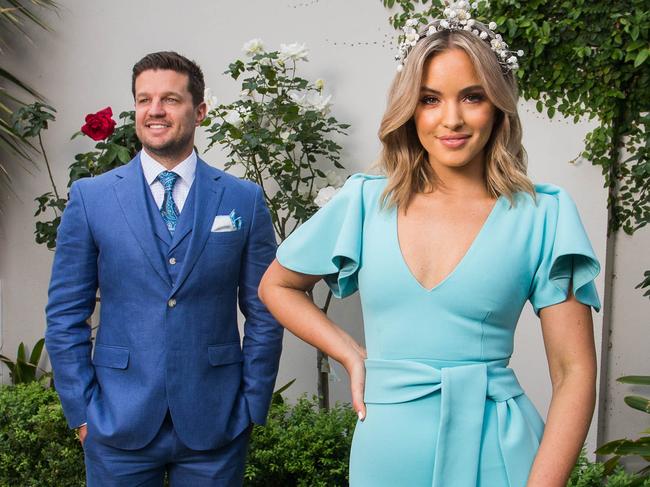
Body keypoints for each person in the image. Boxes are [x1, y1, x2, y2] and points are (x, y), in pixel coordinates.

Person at [258, 3, 600, 486]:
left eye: (473, 97)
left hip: (500, 454)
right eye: (431, 99)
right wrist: (351, 353)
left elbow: (572, 371)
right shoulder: (363, 201)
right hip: (386, 454)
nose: (452, 119)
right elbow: (278, 285)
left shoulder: (544, 214)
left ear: (498, 105)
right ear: (409, 108)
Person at [45, 51, 283, 486]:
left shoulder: (242, 199)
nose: (154, 110)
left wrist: (251, 403)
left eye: (170, 99)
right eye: (144, 100)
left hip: (216, 420)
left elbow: (266, 308)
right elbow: (65, 314)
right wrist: (82, 411)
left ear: (200, 110)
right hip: (117, 420)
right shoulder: (90, 198)